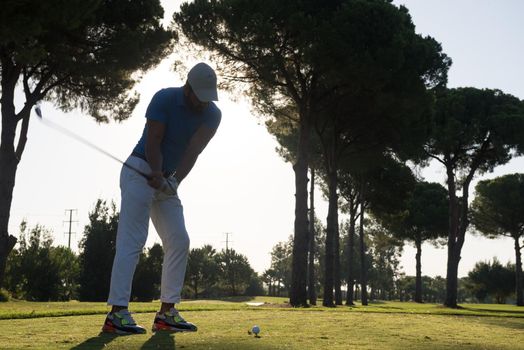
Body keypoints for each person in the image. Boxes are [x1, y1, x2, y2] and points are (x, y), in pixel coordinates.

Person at [102, 62, 221, 335]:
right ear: (188, 88)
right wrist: (155, 172)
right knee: (133, 240)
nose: (204, 104)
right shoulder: (165, 98)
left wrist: (173, 181)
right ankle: (116, 314)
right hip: (140, 168)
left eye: (208, 99)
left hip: (167, 177)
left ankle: (167, 313)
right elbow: (154, 140)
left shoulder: (213, 115)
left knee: (179, 239)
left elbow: (193, 151)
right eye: (200, 97)